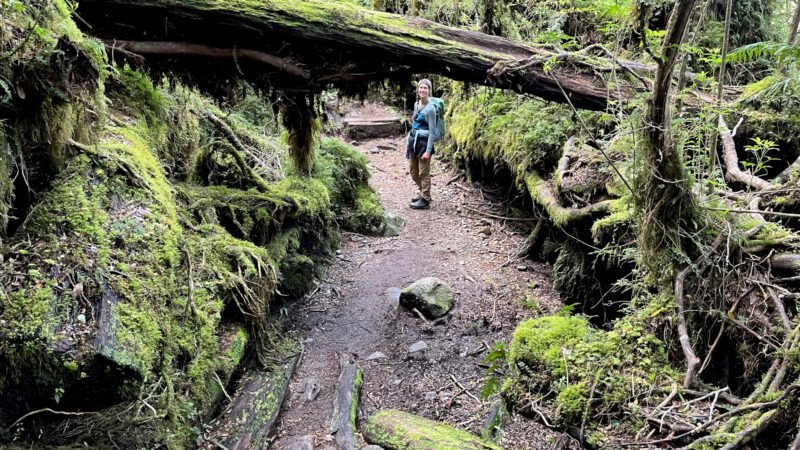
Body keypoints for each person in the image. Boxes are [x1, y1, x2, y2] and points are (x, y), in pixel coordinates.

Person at [406, 78, 437, 210]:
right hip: (414, 141)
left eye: (425, 88)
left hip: (424, 143)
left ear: (429, 90)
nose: (422, 90)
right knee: (413, 171)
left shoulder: (431, 109)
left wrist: (428, 150)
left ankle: (425, 199)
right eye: (421, 87)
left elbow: (432, 131)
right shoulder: (416, 104)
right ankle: (422, 191)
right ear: (418, 89)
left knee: (423, 173)